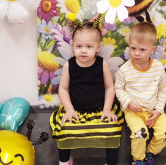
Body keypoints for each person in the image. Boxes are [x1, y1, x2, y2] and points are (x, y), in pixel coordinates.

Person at [50, 22, 123, 165]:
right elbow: (63, 89)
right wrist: (69, 109)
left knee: (113, 129)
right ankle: (64, 161)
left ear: (97, 48)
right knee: (64, 129)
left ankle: (111, 162)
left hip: (100, 109)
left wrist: (107, 109)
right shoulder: (69, 65)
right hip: (75, 110)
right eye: (79, 46)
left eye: (89, 47)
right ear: (73, 46)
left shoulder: (102, 64)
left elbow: (109, 87)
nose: (83, 51)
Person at [115, 22, 166, 165]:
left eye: (142, 49)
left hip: (153, 110)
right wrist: (128, 102)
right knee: (140, 134)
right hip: (133, 112)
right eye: (133, 48)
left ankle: (150, 153)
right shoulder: (124, 70)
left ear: (152, 50)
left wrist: (158, 111)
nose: (136, 53)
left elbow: (163, 89)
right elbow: (119, 89)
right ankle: (138, 160)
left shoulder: (158, 68)